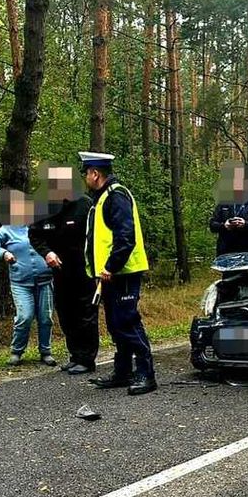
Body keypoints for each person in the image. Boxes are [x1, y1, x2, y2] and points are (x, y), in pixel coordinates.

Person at [81, 152, 157, 396]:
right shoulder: (102, 198)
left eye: (86, 173)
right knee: (116, 325)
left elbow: (126, 238)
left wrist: (111, 266)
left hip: (122, 272)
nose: (84, 178)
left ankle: (146, 373)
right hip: (109, 275)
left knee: (128, 322)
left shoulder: (116, 196)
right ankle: (123, 371)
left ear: (95, 173)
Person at [30, 165, 100, 375]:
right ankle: (75, 355)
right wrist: (47, 253)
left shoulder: (85, 204)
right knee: (66, 313)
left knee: (85, 313)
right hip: (59, 269)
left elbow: (99, 235)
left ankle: (87, 359)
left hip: (84, 269)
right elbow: (34, 234)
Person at [0, 188, 57, 367]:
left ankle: (45, 351)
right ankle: (17, 351)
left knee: (45, 317)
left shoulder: (39, 224)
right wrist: (4, 253)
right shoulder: (6, 230)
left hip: (45, 279)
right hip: (21, 282)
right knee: (24, 316)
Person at [209, 163, 248, 256]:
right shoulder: (223, 203)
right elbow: (212, 225)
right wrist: (224, 226)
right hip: (226, 252)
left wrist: (246, 224)